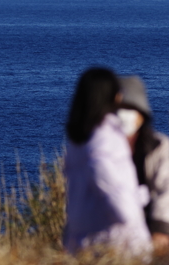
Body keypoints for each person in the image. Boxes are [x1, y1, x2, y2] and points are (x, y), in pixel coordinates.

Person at [63, 67, 152, 259]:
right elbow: (102, 171)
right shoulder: (106, 137)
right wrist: (131, 212)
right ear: (113, 97)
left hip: (82, 242)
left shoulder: (78, 141)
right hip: (119, 244)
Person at [119, 76, 169, 260]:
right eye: (120, 109)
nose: (124, 115)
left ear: (141, 115)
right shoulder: (102, 146)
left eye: (131, 109)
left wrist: (161, 229)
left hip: (146, 221)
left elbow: (166, 188)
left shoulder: (157, 145)